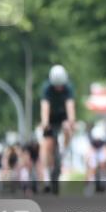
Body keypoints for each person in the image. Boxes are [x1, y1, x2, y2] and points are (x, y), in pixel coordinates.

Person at [39, 64, 76, 194]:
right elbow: (45, 106)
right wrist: (44, 122)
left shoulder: (68, 88)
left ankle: (64, 150)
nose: (59, 88)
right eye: (57, 86)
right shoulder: (47, 88)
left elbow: (70, 106)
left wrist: (71, 121)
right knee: (46, 144)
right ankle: (47, 175)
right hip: (50, 118)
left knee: (68, 129)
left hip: (63, 117)